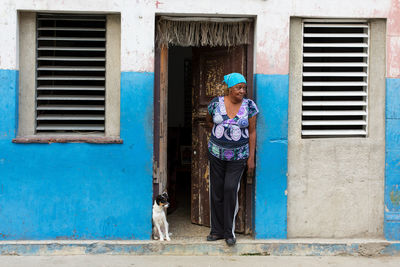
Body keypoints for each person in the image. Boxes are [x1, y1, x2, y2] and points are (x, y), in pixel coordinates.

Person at [206, 72, 258, 246]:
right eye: (238, 87)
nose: (242, 91)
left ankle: (229, 232)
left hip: (239, 156)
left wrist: (251, 158)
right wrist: (220, 137)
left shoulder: (249, 106)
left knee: (230, 189)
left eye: (244, 88)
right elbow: (209, 123)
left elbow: (252, 132)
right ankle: (217, 231)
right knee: (216, 190)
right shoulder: (216, 103)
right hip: (216, 154)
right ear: (229, 88)